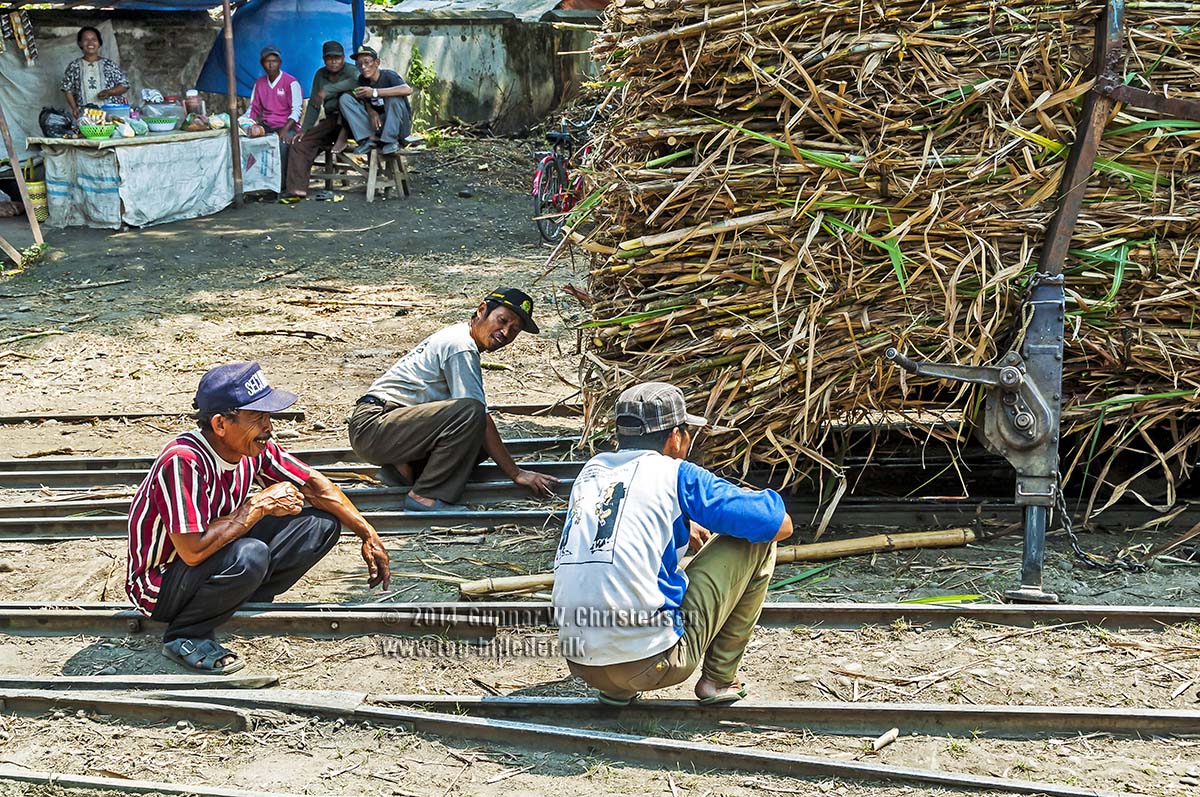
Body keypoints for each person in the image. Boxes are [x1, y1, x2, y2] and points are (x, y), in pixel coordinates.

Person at [127, 362, 391, 674]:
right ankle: (186, 634)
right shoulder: (184, 460)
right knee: (250, 554)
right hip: (160, 582)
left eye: (268, 417)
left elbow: (313, 486)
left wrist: (367, 533)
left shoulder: (253, 448)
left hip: (212, 557)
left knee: (320, 525)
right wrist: (257, 505)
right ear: (220, 424)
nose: (269, 427)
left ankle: (238, 597)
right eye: (258, 417)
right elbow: (192, 550)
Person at [552, 382, 793, 706]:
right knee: (759, 541)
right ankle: (719, 680)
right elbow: (778, 524)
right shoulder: (675, 473)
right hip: (654, 664)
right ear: (676, 437)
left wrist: (683, 521)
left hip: (582, 665)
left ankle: (616, 691)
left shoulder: (591, 472)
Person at [348, 288, 558, 512]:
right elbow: (477, 414)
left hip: (388, 429)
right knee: (472, 414)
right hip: (373, 426)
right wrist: (516, 473)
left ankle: (403, 470)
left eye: (514, 329)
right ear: (482, 310)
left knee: (478, 438)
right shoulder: (461, 346)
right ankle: (425, 497)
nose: (505, 332)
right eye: (502, 320)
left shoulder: (461, 340)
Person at [283, 41, 360, 199]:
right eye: (330, 58)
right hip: (331, 121)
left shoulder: (351, 70)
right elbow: (314, 104)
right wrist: (304, 129)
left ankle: (344, 134)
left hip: (354, 123)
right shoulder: (320, 74)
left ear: (343, 58)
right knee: (300, 143)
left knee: (345, 97)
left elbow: (357, 81)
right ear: (324, 60)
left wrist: (328, 89)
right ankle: (297, 189)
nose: (334, 62)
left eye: (337, 58)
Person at [340, 45, 412, 155]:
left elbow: (407, 89)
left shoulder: (389, 76)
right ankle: (368, 139)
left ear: (377, 63)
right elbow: (365, 100)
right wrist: (371, 111)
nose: (363, 67)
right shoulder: (362, 79)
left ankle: (391, 141)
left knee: (393, 98)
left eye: (366, 62)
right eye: (359, 64)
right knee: (345, 99)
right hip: (379, 125)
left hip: (398, 127)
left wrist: (375, 92)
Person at [248, 46, 302, 176]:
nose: (271, 64)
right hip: (267, 125)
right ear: (262, 64)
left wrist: (285, 129)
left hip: (287, 126)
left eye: (274, 61)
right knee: (251, 145)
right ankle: (260, 182)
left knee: (282, 147)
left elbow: (296, 111)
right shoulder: (259, 83)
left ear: (280, 63)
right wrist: (249, 124)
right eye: (267, 61)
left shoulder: (291, 82)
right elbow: (253, 108)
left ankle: (282, 184)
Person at [60, 26, 129, 119]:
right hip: (85, 116)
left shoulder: (109, 65)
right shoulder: (74, 66)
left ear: (99, 43)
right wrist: (74, 108)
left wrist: (109, 92)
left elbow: (125, 85)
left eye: (94, 39)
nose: (90, 43)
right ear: (80, 43)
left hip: (109, 115)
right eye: (86, 40)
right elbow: (67, 88)